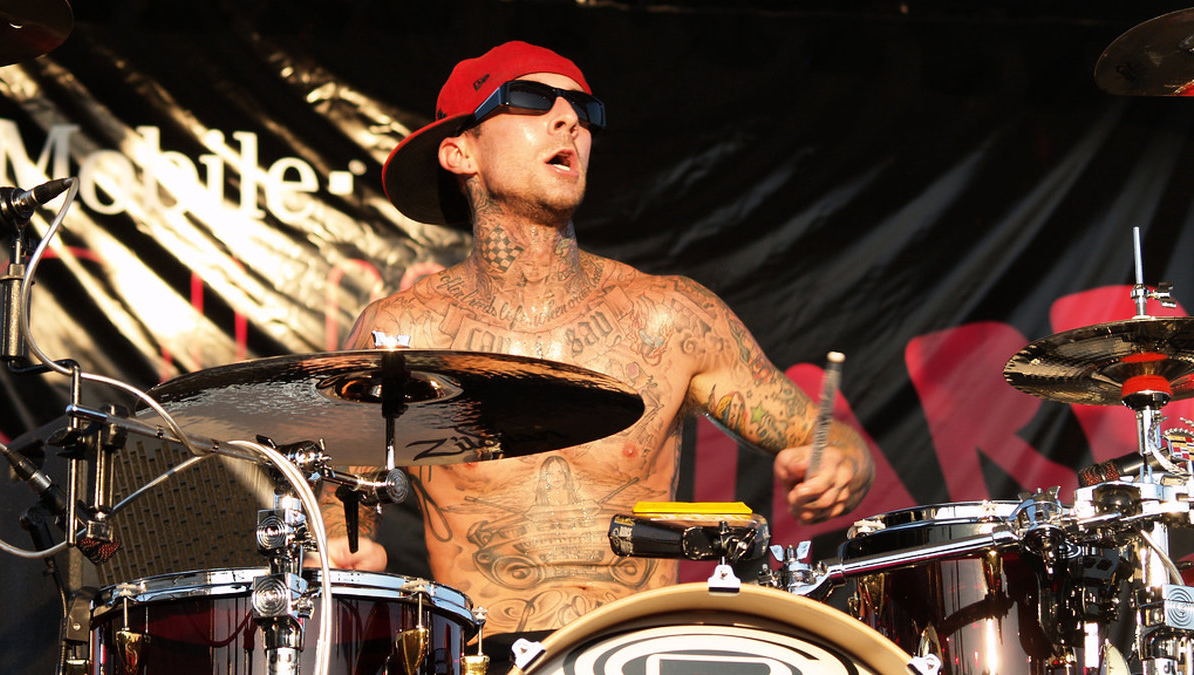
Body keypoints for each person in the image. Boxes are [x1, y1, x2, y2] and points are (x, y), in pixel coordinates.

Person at [315, 39, 874, 659]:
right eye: (531, 99)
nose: (568, 119)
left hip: (642, 654)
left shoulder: (671, 316)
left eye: (583, 109)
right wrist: (342, 541)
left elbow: (827, 441)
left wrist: (841, 465)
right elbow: (341, 493)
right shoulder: (403, 333)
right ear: (459, 152)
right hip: (490, 657)